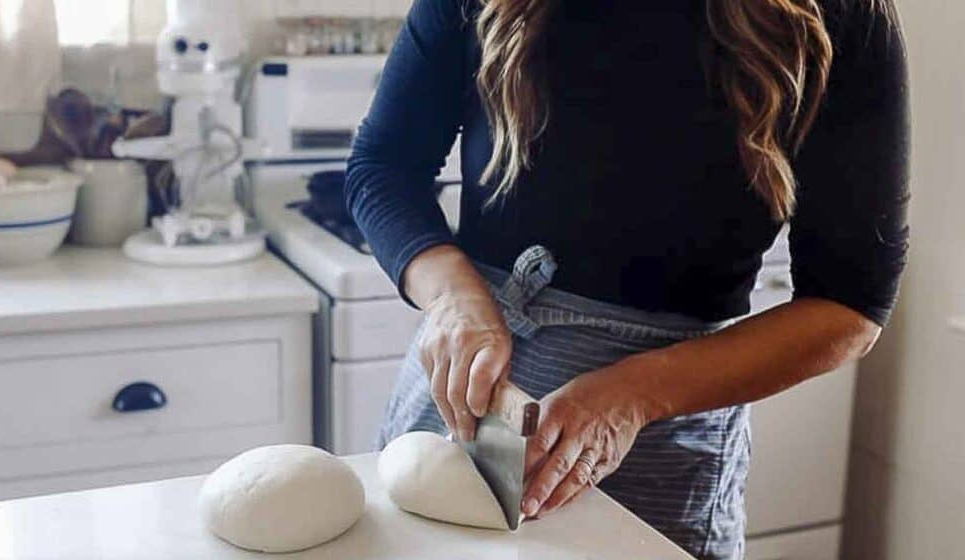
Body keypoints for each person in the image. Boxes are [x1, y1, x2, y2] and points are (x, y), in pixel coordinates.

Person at [344, 0, 909, 558]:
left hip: (659, 443)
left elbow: (851, 306)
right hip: (466, 413)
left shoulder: (838, 16)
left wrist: (631, 397)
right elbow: (384, 165)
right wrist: (453, 298)